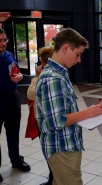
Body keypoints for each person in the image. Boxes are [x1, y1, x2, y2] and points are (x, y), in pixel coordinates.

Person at [35, 28, 102, 185]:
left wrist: (89, 112)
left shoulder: (61, 72)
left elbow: (64, 111)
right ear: (66, 48)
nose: (79, 60)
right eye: (78, 54)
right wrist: (88, 112)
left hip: (67, 145)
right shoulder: (53, 78)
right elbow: (57, 122)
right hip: (61, 149)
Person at [0, 28, 31, 182]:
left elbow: (16, 71)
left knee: (13, 131)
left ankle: (16, 160)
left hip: (13, 98)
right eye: (0, 41)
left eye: (4, 40)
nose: (3, 43)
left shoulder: (10, 55)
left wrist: (19, 76)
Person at [27, 47, 54, 185]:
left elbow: (31, 94)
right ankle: (52, 177)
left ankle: (53, 179)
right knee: (51, 153)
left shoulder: (45, 77)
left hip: (45, 122)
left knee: (50, 152)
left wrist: (37, 77)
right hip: (46, 121)